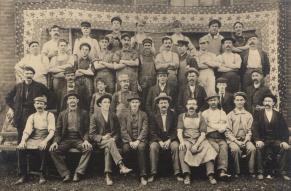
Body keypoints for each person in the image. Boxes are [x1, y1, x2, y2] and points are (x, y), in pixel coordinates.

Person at [49, 91, 92, 183]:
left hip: (79, 139)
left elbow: (87, 129)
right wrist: (55, 142)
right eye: (70, 99)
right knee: (53, 150)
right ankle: (66, 173)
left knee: (88, 149)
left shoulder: (84, 113)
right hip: (66, 139)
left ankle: (79, 172)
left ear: (77, 100)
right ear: (67, 102)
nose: (72, 100)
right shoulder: (62, 114)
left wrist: (86, 140)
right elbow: (58, 130)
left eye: (74, 98)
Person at [89, 93, 132, 185]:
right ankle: (121, 166)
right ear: (100, 104)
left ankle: (108, 175)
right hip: (99, 142)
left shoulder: (113, 115)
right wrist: (102, 137)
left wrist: (114, 138)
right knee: (109, 144)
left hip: (111, 142)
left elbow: (117, 131)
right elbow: (92, 135)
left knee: (108, 149)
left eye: (108, 102)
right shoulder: (94, 116)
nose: (107, 104)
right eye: (104, 102)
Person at [15, 96, 55, 185]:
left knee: (43, 147)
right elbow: (27, 131)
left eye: (41, 104)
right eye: (37, 103)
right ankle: (24, 175)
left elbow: (52, 131)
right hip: (34, 138)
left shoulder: (49, 115)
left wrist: (45, 141)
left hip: (46, 137)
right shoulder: (32, 116)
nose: (39, 106)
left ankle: (42, 174)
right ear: (34, 105)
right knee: (20, 148)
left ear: (45, 106)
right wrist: (23, 141)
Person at [177, 98, 217, 185]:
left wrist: (196, 145)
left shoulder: (201, 117)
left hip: (199, 139)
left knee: (209, 148)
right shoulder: (181, 116)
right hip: (187, 139)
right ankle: (186, 175)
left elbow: (203, 134)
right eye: (189, 104)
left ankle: (210, 174)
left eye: (193, 104)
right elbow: (179, 131)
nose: (191, 106)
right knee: (182, 148)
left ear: (196, 107)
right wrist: (181, 142)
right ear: (186, 106)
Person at [6, 66, 49, 144]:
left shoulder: (39, 86)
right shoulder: (18, 86)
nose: (29, 75)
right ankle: (21, 153)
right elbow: (8, 97)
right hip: (20, 113)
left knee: (33, 134)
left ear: (33, 75)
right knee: (21, 135)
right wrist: (14, 107)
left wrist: (44, 107)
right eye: (27, 73)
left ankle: (31, 154)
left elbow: (51, 96)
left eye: (31, 73)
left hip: (33, 112)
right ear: (23, 74)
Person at [253, 94, 290, 181]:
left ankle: (282, 172)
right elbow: (254, 128)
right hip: (263, 140)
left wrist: (284, 141)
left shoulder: (278, 115)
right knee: (259, 148)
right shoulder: (258, 114)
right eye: (265, 101)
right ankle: (260, 172)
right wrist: (257, 140)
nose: (267, 103)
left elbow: (284, 130)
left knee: (284, 148)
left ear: (273, 103)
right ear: (263, 102)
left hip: (275, 140)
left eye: (269, 101)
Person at [148, 93, 182, 182]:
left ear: (168, 104)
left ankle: (177, 172)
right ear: (158, 105)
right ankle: (153, 173)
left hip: (170, 139)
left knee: (175, 146)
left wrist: (169, 140)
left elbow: (175, 129)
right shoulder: (153, 115)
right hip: (157, 140)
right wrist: (160, 141)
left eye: (165, 103)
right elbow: (152, 131)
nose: (163, 105)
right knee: (153, 147)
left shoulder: (173, 114)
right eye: (161, 103)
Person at [119, 93, 148, 185]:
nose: (135, 104)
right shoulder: (124, 115)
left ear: (139, 103)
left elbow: (145, 129)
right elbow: (123, 130)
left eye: (136, 102)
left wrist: (138, 141)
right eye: (133, 102)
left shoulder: (144, 114)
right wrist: (130, 141)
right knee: (126, 149)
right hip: (129, 140)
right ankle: (132, 170)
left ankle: (143, 174)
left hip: (140, 139)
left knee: (141, 148)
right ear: (130, 104)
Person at [202, 94, 232, 180]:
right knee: (213, 148)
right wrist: (216, 126)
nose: (213, 102)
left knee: (224, 147)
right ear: (208, 102)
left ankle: (222, 171)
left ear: (218, 101)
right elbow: (205, 126)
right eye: (211, 100)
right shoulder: (205, 113)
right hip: (209, 137)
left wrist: (211, 124)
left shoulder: (222, 112)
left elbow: (223, 126)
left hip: (220, 137)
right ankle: (210, 173)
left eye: (215, 100)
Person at [226, 92, 256, 177]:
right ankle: (237, 171)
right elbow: (227, 131)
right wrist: (236, 142)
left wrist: (246, 140)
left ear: (245, 101)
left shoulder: (249, 115)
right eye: (237, 100)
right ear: (234, 102)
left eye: (241, 100)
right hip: (234, 140)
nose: (239, 102)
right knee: (235, 150)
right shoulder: (230, 115)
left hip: (245, 139)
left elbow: (250, 130)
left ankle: (251, 171)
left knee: (252, 148)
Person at [49, 39, 74, 107]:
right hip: (57, 81)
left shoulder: (70, 57)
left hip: (68, 80)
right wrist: (64, 69)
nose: (63, 47)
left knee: (68, 96)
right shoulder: (54, 58)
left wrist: (57, 68)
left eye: (64, 46)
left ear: (67, 47)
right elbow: (51, 70)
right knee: (58, 97)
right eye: (61, 45)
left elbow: (70, 66)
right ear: (58, 47)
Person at [74, 43, 95, 110]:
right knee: (78, 98)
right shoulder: (76, 61)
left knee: (88, 98)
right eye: (83, 49)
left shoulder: (91, 61)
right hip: (78, 81)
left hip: (88, 81)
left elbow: (91, 73)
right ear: (80, 50)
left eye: (86, 50)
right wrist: (86, 71)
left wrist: (80, 70)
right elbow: (75, 73)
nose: (84, 51)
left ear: (89, 51)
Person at [138, 37, 156, 109]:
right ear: (143, 46)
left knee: (151, 100)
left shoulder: (154, 57)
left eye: (149, 45)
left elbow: (157, 70)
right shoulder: (140, 57)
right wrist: (138, 84)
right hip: (143, 82)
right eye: (146, 45)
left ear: (151, 46)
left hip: (152, 81)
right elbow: (137, 71)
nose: (147, 47)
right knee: (143, 100)